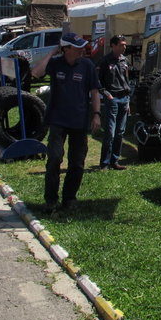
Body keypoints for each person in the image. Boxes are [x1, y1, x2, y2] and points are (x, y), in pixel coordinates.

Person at [31, 32, 101, 215]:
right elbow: (36, 72)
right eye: (77, 47)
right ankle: (51, 200)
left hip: (79, 121)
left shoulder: (87, 65)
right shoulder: (55, 63)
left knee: (77, 163)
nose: (82, 50)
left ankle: (69, 199)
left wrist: (96, 114)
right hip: (57, 120)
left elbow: (94, 92)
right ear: (66, 49)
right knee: (54, 159)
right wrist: (51, 53)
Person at [97, 35, 130, 170]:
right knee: (110, 131)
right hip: (112, 98)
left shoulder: (124, 60)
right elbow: (98, 81)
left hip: (124, 98)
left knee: (120, 131)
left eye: (125, 45)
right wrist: (106, 94)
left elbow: (127, 80)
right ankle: (104, 163)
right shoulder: (105, 61)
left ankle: (114, 160)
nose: (124, 47)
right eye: (121, 45)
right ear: (113, 46)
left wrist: (128, 100)